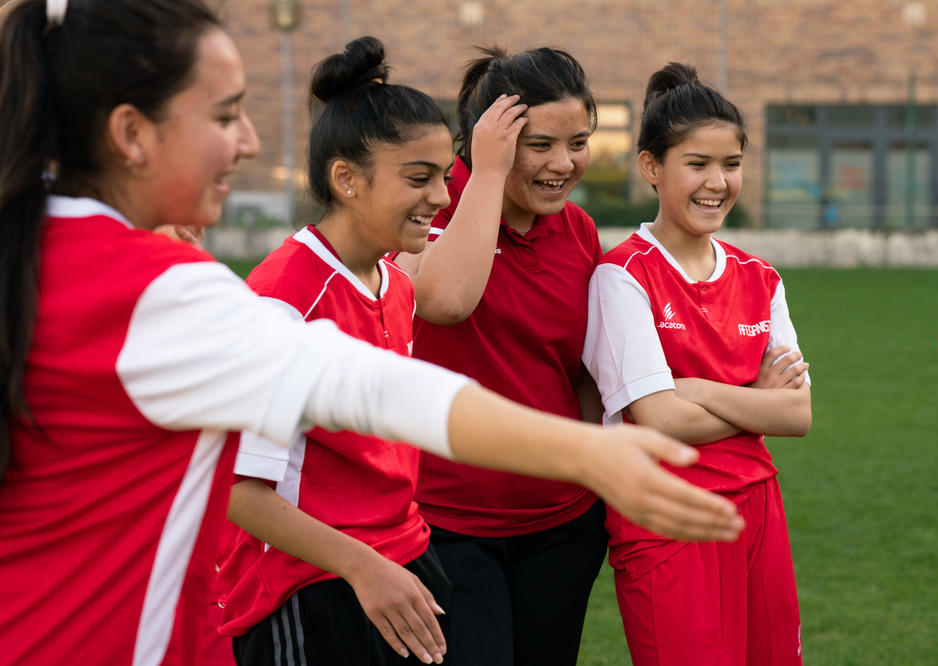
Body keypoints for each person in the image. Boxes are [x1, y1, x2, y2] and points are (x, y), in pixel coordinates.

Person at [0, 2, 744, 664]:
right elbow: (362, 385)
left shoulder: (50, 257)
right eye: (225, 115)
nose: (251, 142)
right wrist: (588, 449)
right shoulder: (157, 290)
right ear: (131, 133)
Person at [217, 36, 461, 666]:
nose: (441, 197)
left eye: (444, 175)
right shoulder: (281, 301)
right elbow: (241, 491)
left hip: (402, 561)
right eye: (419, 178)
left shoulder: (396, 283)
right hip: (314, 588)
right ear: (347, 180)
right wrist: (363, 567)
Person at [582, 62, 812, 666]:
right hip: (665, 515)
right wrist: (751, 397)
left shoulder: (760, 278)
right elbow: (660, 422)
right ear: (651, 168)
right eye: (697, 164)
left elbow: (798, 413)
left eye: (731, 165)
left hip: (757, 509)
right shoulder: (622, 275)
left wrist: (698, 389)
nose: (718, 182)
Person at [393, 46, 610, 666]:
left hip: (561, 523)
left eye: (579, 142)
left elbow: (581, 372)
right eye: (539, 145)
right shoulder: (430, 205)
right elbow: (444, 301)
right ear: (489, 140)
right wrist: (485, 176)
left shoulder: (579, 231)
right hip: (447, 524)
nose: (563, 165)